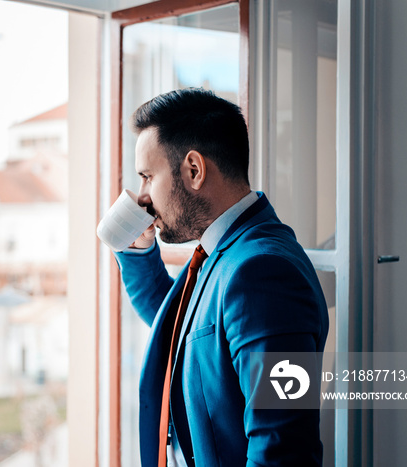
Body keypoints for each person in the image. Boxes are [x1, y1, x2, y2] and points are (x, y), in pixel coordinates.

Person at [114, 88, 328, 466]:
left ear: (193, 170)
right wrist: (137, 250)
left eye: (148, 177)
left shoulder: (263, 272)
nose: (142, 197)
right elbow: (181, 330)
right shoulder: (222, 252)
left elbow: (283, 448)